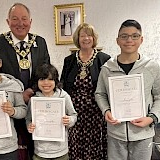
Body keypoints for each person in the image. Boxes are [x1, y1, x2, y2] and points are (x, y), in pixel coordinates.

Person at [95, 19, 160, 160]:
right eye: (124, 36)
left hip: (143, 134)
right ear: (117, 40)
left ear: (141, 39)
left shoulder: (152, 68)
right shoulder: (107, 68)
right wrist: (106, 111)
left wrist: (152, 118)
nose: (129, 40)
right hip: (116, 134)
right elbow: (100, 94)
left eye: (134, 36)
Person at [0, 3, 50, 159]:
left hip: (35, 103)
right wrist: (17, 95)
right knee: (11, 149)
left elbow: (46, 72)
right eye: (15, 19)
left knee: (35, 145)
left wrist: (32, 91)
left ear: (30, 21)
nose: (20, 23)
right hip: (8, 106)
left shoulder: (40, 42)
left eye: (24, 19)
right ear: (8, 22)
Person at [60, 23, 111, 160]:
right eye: (83, 35)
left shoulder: (104, 59)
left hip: (96, 112)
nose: (86, 38)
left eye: (89, 35)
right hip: (74, 112)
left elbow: (109, 87)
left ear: (94, 38)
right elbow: (62, 86)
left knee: (94, 145)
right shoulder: (69, 60)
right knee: (74, 144)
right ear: (78, 38)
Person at [26, 63, 77, 160]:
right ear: (37, 81)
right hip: (40, 152)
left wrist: (69, 120)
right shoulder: (34, 99)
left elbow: (74, 115)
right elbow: (28, 119)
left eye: (50, 79)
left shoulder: (64, 96)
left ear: (55, 81)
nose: (46, 83)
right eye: (42, 79)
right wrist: (29, 126)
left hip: (61, 151)